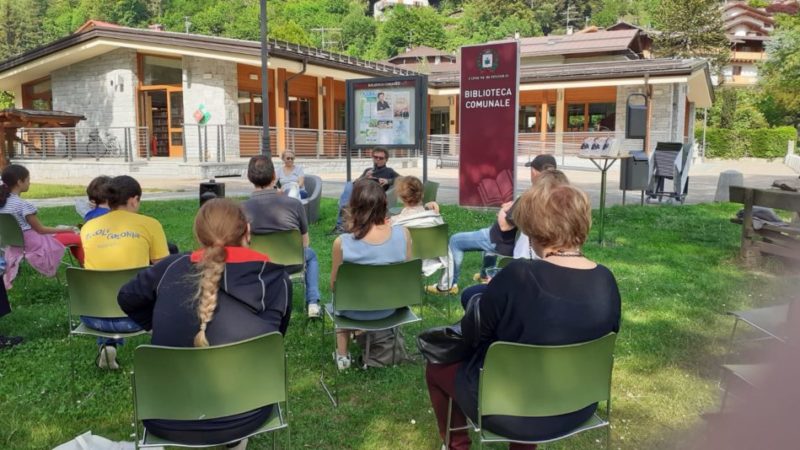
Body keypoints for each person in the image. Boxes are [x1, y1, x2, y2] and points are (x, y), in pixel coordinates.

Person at [425, 182, 621, 450]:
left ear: (534, 229)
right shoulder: (606, 279)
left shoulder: (519, 276)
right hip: (579, 405)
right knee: (525, 364)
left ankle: (457, 445)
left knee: (436, 366)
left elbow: (472, 336)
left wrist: (477, 300)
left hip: (511, 411)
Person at [118, 198, 292, 446]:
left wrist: (157, 324)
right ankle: (235, 441)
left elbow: (127, 298)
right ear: (248, 232)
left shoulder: (170, 266)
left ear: (199, 237)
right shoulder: (275, 277)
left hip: (164, 416)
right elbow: (275, 339)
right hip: (246, 414)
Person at [427, 154, 558, 295]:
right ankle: (485, 275)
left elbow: (504, 226)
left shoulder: (530, 196)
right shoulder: (554, 196)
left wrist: (503, 211)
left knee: (455, 240)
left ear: (534, 172)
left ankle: (447, 286)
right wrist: (513, 205)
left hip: (500, 240)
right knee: (487, 241)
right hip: (513, 242)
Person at [80, 175, 170, 369]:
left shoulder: (88, 227)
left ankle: (107, 345)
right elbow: (165, 269)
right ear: (134, 199)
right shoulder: (150, 224)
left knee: (107, 281)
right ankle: (168, 352)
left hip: (93, 317)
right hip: (138, 319)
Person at [459, 169, 570, 309]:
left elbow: (505, 227)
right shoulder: (566, 219)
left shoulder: (531, 211)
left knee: (472, 296)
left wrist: (502, 281)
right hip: (540, 281)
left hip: (530, 285)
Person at [330, 179, 411, 370]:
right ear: (384, 205)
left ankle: (342, 356)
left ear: (354, 207)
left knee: (338, 297)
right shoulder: (404, 234)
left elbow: (335, 286)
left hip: (352, 310)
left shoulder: (342, 243)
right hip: (390, 308)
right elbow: (406, 276)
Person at [242, 155, 321, 318]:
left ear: (250, 178)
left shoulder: (242, 209)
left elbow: (242, 245)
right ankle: (313, 303)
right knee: (311, 256)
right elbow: (305, 243)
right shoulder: (295, 204)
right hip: (293, 262)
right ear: (274, 177)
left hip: (259, 266)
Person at [0, 164, 81, 289]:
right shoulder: (23, 205)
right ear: (19, 182)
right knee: (78, 238)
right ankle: (85, 273)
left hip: (14, 244)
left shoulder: (2, 203)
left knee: (62, 233)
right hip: (34, 244)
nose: (29, 183)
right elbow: (41, 230)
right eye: (28, 180)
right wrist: (68, 229)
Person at [390, 176, 454, 292]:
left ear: (401, 197)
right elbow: (447, 254)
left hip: (404, 265)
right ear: (422, 194)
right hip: (430, 262)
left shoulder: (395, 223)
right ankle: (444, 287)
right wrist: (444, 285)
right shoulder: (435, 220)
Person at [330, 147, 400, 235]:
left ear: (386, 160)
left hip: (374, 195)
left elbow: (403, 179)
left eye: (381, 158)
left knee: (348, 195)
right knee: (349, 184)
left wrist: (388, 181)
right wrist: (364, 177)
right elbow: (356, 183)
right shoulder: (368, 170)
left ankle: (341, 224)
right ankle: (342, 222)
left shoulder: (389, 171)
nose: (377, 160)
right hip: (360, 193)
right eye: (375, 157)